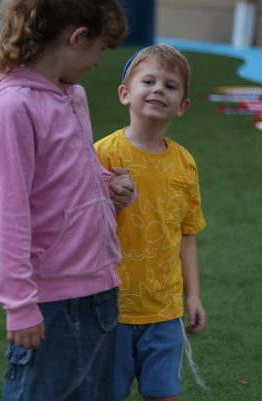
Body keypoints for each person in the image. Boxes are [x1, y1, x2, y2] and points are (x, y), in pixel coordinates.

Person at [0, 1, 135, 400]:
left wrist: (106, 183)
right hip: (52, 303)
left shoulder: (74, 95)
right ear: (78, 37)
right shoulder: (16, 105)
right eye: (100, 48)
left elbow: (74, 168)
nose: (99, 61)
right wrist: (19, 304)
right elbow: (6, 211)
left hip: (100, 288)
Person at [95, 44, 207, 401]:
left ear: (183, 106)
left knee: (164, 394)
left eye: (170, 86)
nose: (159, 89)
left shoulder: (185, 164)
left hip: (165, 309)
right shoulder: (103, 153)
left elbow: (186, 235)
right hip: (109, 307)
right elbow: (79, 219)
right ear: (125, 94)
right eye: (149, 81)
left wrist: (193, 294)